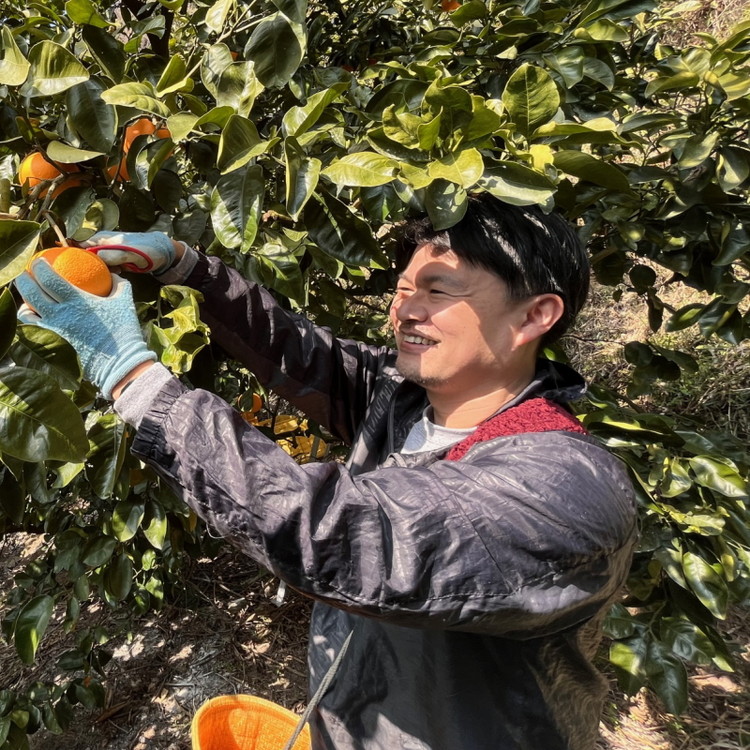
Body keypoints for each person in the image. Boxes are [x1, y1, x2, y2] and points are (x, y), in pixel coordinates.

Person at [16, 193, 637, 750]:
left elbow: (334, 533)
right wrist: (187, 266)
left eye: (438, 291)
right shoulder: (407, 402)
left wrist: (130, 373)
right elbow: (300, 351)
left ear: (534, 316)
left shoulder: (560, 488)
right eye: (402, 290)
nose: (406, 312)